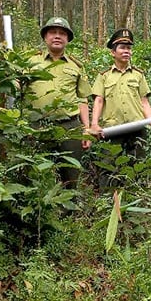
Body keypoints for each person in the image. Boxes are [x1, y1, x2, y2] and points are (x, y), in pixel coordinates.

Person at [26, 17, 92, 185]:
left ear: (67, 39)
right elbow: (16, 89)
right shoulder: (30, 62)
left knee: (71, 175)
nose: (57, 36)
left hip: (69, 127)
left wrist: (86, 129)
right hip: (37, 126)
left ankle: (68, 210)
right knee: (34, 174)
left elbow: (82, 99)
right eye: (53, 32)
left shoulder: (76, 66)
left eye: (62, 33)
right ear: (45, 37)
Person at [89, 29, 151, 185]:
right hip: (113, 128)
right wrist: (94, 123)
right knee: (108, 165)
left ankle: (138, 196)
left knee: (139, 164)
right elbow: (98, 100)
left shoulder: (138, 74)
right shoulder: (104, 76)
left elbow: (144, 101)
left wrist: (150, 119)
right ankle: (108, 200)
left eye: (129, 48)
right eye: (122, 48)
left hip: (136, 126)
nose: (126, 51)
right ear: (113, 52)